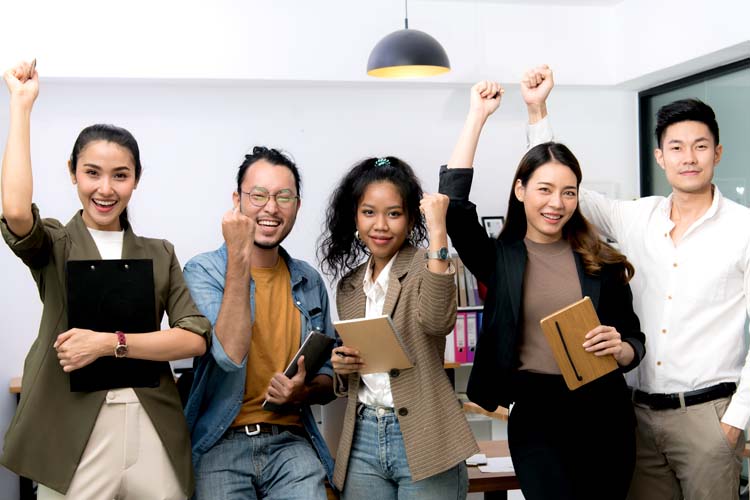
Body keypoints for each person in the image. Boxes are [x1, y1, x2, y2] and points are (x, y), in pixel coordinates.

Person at [525, 65, 750, 500]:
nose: (689, 157)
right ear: (660, 156)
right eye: (677, 147)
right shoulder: (636, 218)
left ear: (717, 153)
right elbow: (566, 191)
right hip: (636, 417)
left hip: (708, 417)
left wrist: (734, 421)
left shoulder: (744, 229)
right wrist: (538, 112)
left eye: (700, 147)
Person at [0, 61, 211, 499]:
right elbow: (17, 213)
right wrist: (21, 107)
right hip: (75, 430)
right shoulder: (57, 244)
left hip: (152, 423)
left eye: (121, 175)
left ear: (136, 181)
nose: (106, 188)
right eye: (92, 172)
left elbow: (194, 339)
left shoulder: (159, 252)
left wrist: (108, 343)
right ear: (73, 172)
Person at [438, 79, 646, 500]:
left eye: (568, 192)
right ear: (521, 190)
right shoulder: (501, 259)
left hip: (605, 411)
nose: (557, 203)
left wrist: (621, 348)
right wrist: (477, 115)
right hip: (537, 415)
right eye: (545, 189)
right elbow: (455, 209)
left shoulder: (600, 261)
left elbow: (634, 340)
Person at [318, 156, 478, 500]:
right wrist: (342, 368)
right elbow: (361, 371)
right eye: (369, 212)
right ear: (355, 217)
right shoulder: (348, 286)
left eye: (394, 213)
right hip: (362, 438)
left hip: (424, 435)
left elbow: (438, 322)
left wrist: (438, 230)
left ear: (409, 219)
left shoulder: (427, 265)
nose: (381, 225)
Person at [183, 146, 336, 500]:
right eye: (258, 195)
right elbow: (229, 355)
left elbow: (329, 378)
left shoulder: (309, 280)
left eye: (284, 196)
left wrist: (305, 391)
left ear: (297, 205)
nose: (271, 207)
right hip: (220, 442)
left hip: (291, 442)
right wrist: (238, 254)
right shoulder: (203, 271)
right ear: (237, 200)